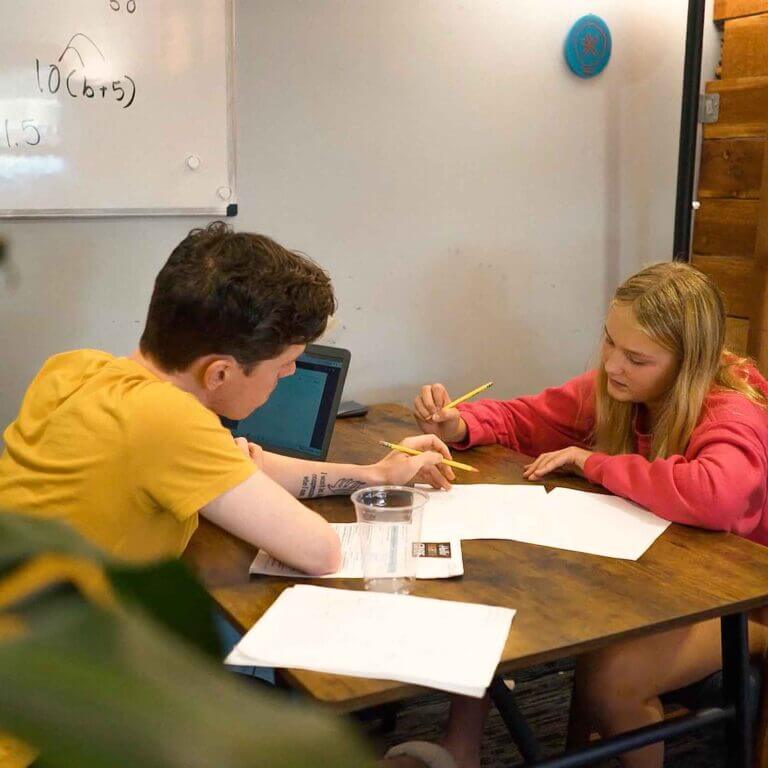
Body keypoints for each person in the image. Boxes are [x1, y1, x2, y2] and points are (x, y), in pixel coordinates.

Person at [398, 262, 768, 768]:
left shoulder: (732, 410)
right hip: (659, 576)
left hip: (745, 602)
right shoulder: (622, 389)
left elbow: (716, 495)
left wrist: (595, 463)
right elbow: (528, 418)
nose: (613, 365)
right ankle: (459, 747)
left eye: (636, 357)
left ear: (689, 364)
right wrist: (461, 423)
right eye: (610, 342)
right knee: (488, 585)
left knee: (613, 680)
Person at [0, 222, 454, 573]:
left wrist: (370, 475)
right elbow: (320, 552)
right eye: (284, 364)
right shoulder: (169, 422)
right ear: (219, 372)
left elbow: (241, 472)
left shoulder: (75, 368)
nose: (291, 371)